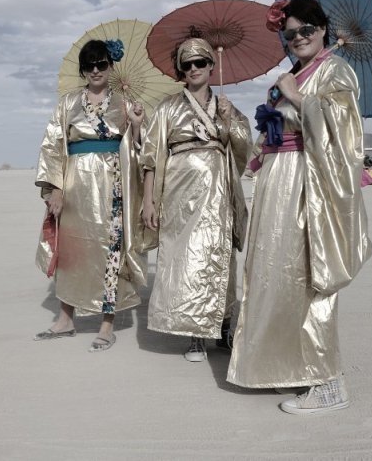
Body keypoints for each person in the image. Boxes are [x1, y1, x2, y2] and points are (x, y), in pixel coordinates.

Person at [227, 0, 372, 413]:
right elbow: (276, 129)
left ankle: (328, 381)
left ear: (322, 29)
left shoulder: (335, 70)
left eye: (306, 30)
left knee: (310, 272)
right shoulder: (294, 72)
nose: (297, 39)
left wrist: (299, 97)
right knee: (277, 274)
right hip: (279, 180)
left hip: (308, 182)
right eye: (289, 34)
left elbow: (343, 129)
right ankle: (290, 366)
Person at [140, 38, 251, 362]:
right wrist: (149, 200)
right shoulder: (168, 107)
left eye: (200, 62)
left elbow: (244, 149)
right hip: (179, 194)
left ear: (211, 66)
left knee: (220, 257)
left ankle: (223, 328)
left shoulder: (227, 106)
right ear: (181, 70)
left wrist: (230, 122)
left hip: (219, 194)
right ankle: (195, 335)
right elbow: (151, 156)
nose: (193, 69)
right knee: (185, 259)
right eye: (187, 65)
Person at [34, 39, 147, 352]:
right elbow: (53, 145)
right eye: (90, 65)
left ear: (110, 67)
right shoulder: (68, 103)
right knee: (72, 251)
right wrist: (54, 189)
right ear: (83, 70)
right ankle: (66, 317)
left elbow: (139, 148)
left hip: (113, 184)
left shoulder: (125, 102)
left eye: (101, 64)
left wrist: (136, 126)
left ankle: (106, 323)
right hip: (75, 184)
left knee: (110, 249)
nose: (96, 70)